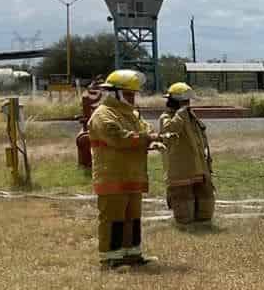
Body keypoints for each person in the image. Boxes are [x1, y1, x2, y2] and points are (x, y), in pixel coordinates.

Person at [87, 69, 165, 267]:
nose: (132, 98)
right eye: (129, 94)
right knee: (113, 219)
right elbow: (118, 138)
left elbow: (145, 130)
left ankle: (132, 255)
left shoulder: (131, 114)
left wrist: (151, 140)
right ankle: (111, 259)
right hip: (112, 175)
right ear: (115, 93)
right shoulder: (103, 115)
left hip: (133, 174)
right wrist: (148, 138)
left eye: (133, 94)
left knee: (133, 218)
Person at [159, 83, 215, 228]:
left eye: (188, 102)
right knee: (185, 212)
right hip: (180, 170)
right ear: (176, 102)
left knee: (206, 207)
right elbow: (168, 131)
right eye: (185, 102)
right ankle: (186, 227)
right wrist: (180, 114)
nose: (188, 105)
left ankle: (203, 226)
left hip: (199, 168)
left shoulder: (191, 117)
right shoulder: (166, 117)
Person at [76, 78, 105, 170]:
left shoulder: (98, 96)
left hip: (99, 125)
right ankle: (87, 164)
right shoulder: (88, 96)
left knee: (84, 138)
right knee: (83, 138)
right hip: (91, 126)